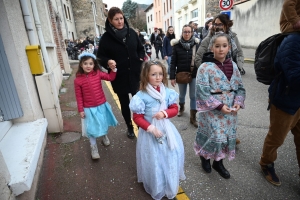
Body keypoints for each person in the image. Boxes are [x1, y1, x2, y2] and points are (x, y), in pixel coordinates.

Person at [129, 61, 185, 200]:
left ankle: (170, 182)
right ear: (146, 76)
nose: (158, 77)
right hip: (150, 133)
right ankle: (157, 184)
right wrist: (150, 128)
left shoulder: (167, 92)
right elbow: (137, 117)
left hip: (166, 130)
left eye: (160, 74)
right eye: (154, 74)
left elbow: (174, 109)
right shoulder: (141, 96)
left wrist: (164, 113)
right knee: (154, 159)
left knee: (170, 155)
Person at [259, 0, 300, 186]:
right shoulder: (292, 41)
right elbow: (294, 76)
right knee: (276, 138)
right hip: (285, 101)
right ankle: (266, 163)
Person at [194, 33, 246, 179]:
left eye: (224, 46)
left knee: (225, 136)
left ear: (229, 47)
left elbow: (240, 87)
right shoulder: (204, 67)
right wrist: (218, 106)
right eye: (217, 46)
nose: (221, 49)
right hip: (212, 109)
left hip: (230, 110)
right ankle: (205, 157)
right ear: (212, 48)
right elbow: (202, 91)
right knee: (213, 135)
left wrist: (238, 102)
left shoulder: (234, 65)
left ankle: (218, 162)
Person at [97, 7, 145, 139]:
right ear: (110, 21)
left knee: (139, 103)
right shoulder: (106, 38)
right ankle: (129, 127)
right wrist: (108, 62)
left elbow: (141, 49)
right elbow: (100, 57)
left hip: (135, 75)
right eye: (116, 19)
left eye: (121, 18)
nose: (120, 21)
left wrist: (140, 58)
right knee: (125, 104)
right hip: (119, 77)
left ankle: (141, 125)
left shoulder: (132, 33)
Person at [74, 52, 118, 159]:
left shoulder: (98, 73)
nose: (88, 66)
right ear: (81, 64)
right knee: (92, 128)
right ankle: (93, 148)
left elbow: (110, 78)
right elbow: (79, 97)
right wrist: (81, 110)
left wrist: (113, 70)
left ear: (94, 65)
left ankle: (104, 136)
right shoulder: (78, 80)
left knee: (103, 122)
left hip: (101, 104)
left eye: (90, 63)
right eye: (85, 63)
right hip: (88, 108)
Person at [170, 24, 200, 127]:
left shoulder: (197, 45)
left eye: (189, 32)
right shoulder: (176, 45)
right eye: (185, 32)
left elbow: (200, 60)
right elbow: (173, 62)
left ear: (192, 33)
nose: (187, 34)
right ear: (182, 33)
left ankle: (193, 118)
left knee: (193, 96)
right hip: (181, 74)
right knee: (182, 95)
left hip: (194, 74)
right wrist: (172, 77)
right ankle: (181, 108)